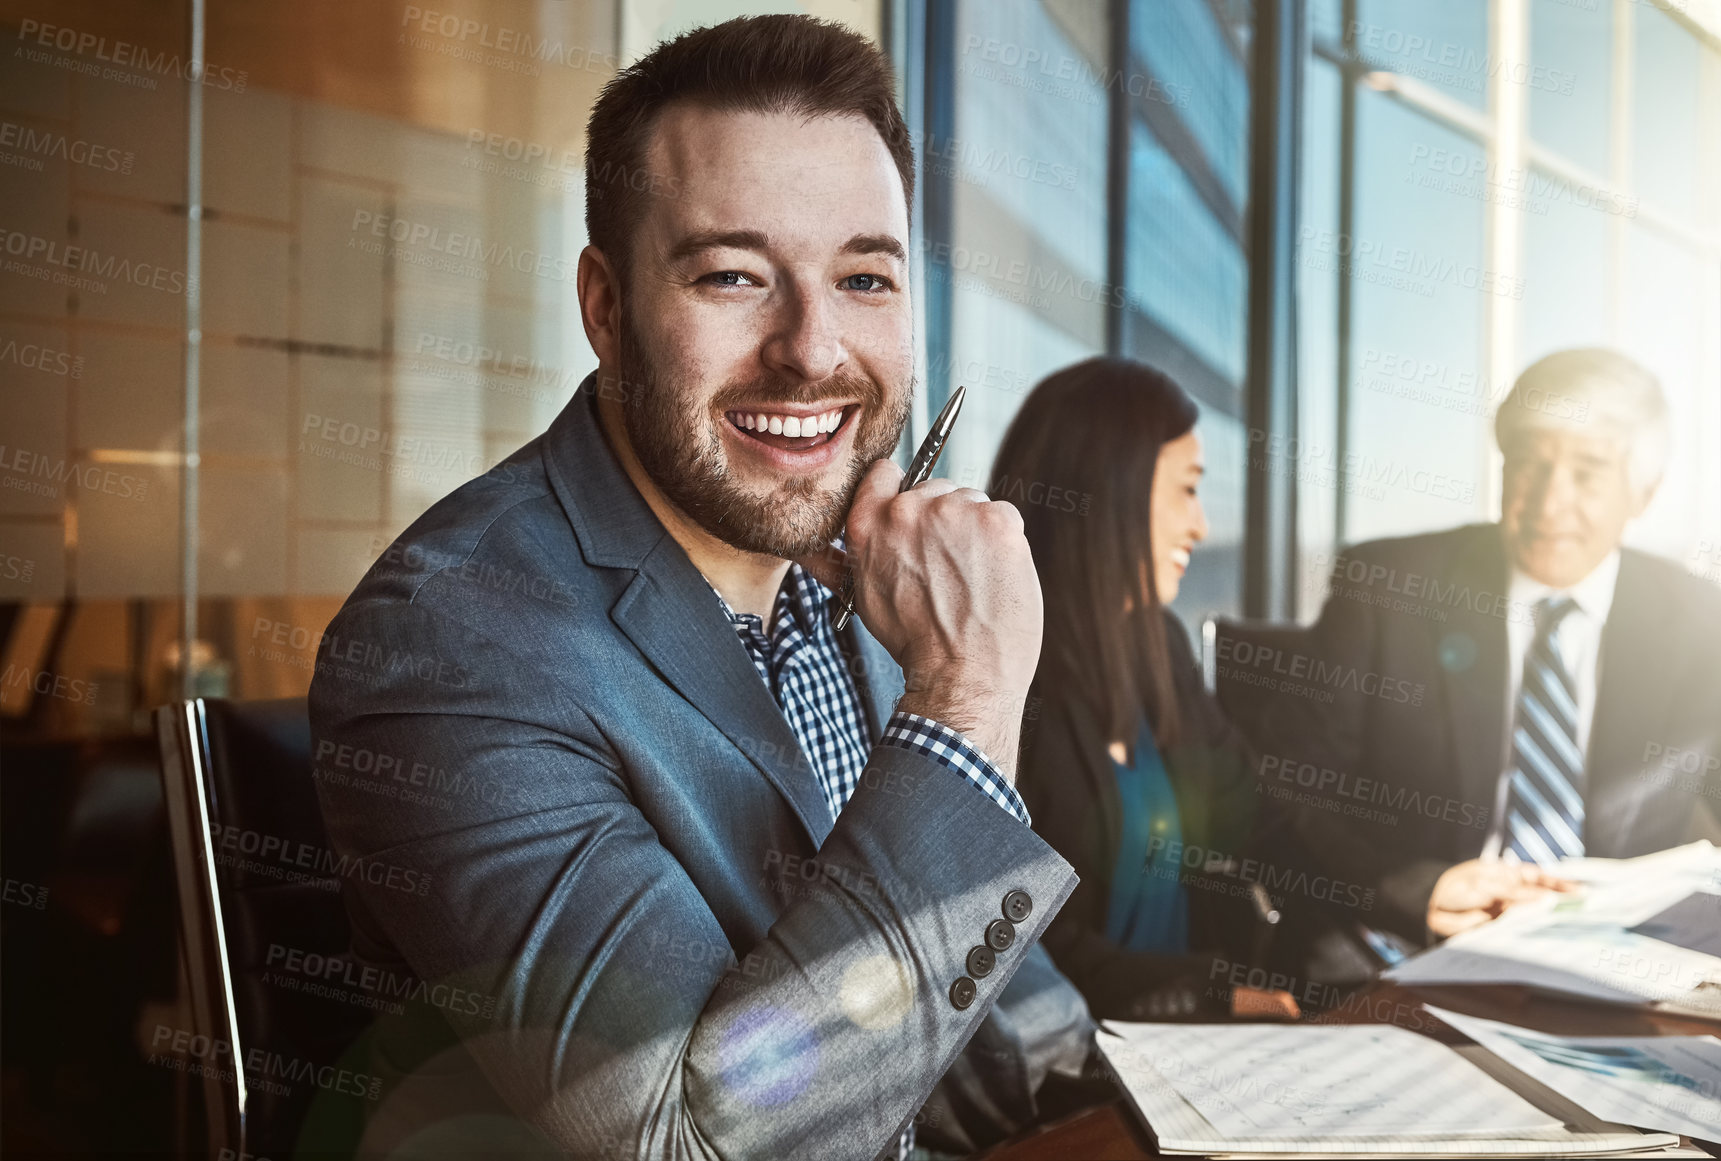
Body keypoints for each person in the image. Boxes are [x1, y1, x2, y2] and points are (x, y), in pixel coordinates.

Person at [307, 16, 1095, 1160]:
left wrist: (1201, 1097)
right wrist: (967, 699)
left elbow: (973, 1013)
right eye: (732, 275)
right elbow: (690, 1141)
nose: (812, 349)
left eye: (864, 276)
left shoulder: (862, 578)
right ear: (607, 308)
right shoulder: (452, 639)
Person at [1278, 348, 1721, 944]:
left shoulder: (1699, 621)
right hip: (1418, 944)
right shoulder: (1387, 586)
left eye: (1586, 473)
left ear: (1642, 493)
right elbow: (1297, 783)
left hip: (1621, 959)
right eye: (1528, 466)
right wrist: (1407, 888)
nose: (1548, 503)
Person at [1000, 358, 1299, 1023]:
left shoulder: (1157, 642)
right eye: (1185, 490)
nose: (1198, 524)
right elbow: (1017, 945)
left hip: (1188, 1041)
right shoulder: (1003, 676)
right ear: (1109, 494)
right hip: (1084, 1065)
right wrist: (1206, 991)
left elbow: (1260, 816)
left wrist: (1407, 892)